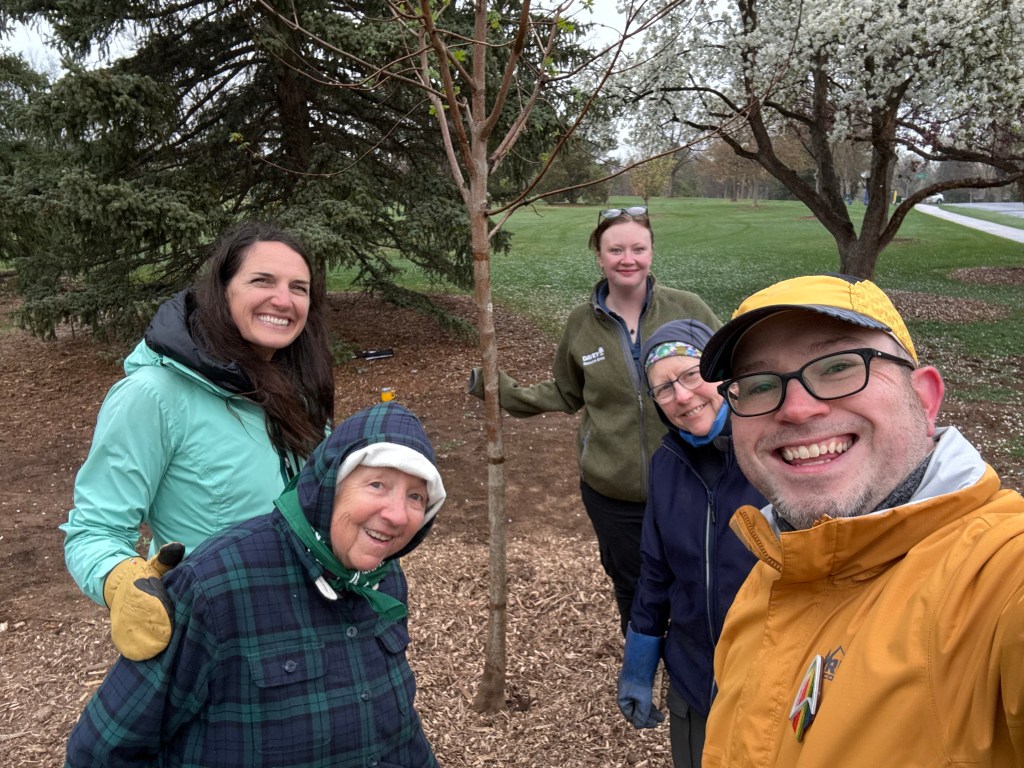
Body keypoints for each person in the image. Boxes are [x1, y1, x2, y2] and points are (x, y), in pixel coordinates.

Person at [694, 273, 1024, 766]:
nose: (798, 409)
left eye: (839, 366)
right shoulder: (769, 575)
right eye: (760, 385)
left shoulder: (998, 577)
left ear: (926, 398)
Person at [65, 401, 445, 768]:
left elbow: (396, 730)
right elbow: (102, 750)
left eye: (415, 496)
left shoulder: (385, 578)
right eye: (378, 485)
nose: (397, 514)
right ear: (331, 484)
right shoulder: (215, 586)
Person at [61, 221, 335, 661]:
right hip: (216, 647)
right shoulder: (153, 395)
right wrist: (120, 580)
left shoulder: (295, 386)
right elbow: (94, 531)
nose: (283, 300)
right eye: (262, 281)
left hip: (308, 630)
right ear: (222, 290)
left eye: (298, 288)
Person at [469, 206, 720, 633]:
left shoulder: (688, 308)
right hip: (613, 493)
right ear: (599, 257)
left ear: (651, 252)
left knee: (698, 578)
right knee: (633, 586)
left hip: (689, 479)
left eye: (638, 248)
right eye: (616, 249)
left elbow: (727, 370)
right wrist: (501, 390)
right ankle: (641, 667)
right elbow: (567, 392)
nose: (628, 258)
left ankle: (692, 672)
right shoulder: (581, 324)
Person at [616, 319, 764, 768]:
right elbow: (655, 570)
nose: (681, 397)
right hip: (694, 677)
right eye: (663, 389)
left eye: (690, 375)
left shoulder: (771, 451)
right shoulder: (666, 464)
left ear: (721, 377)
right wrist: (639, 661)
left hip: (770, 677)